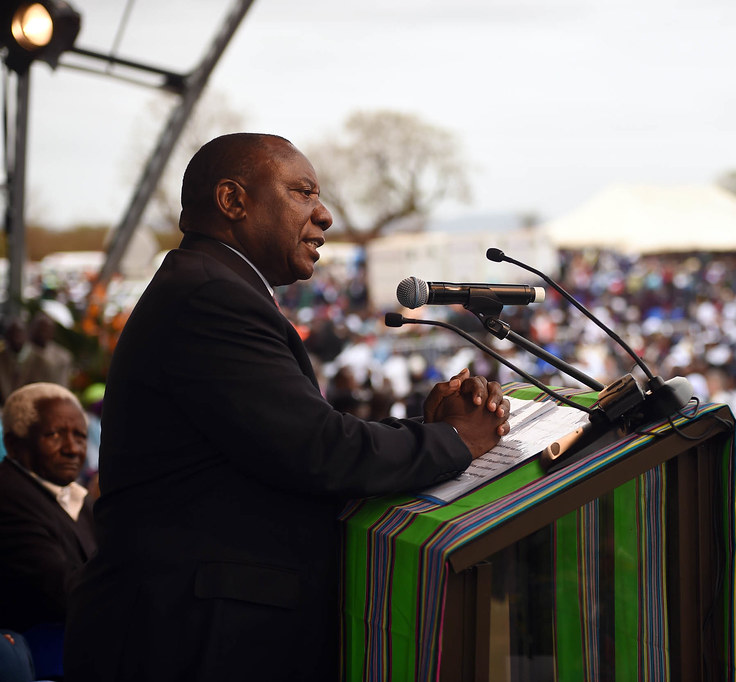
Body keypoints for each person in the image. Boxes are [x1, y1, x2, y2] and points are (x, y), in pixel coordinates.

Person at [64, 133, 511, 682]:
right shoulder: (212, 297)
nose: (324, 215)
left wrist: (428, 428)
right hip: (193, 637)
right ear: (233, 201)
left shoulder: (211, 286)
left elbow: (288, 437)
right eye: (303, 193)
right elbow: (318, 450)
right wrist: (454, 440)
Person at [0, 383, 96, 635]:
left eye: (80, 436)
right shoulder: (8, 496)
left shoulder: (77, 497)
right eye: (54, 434)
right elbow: (62, 593)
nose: (72, 449)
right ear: (13, 444)